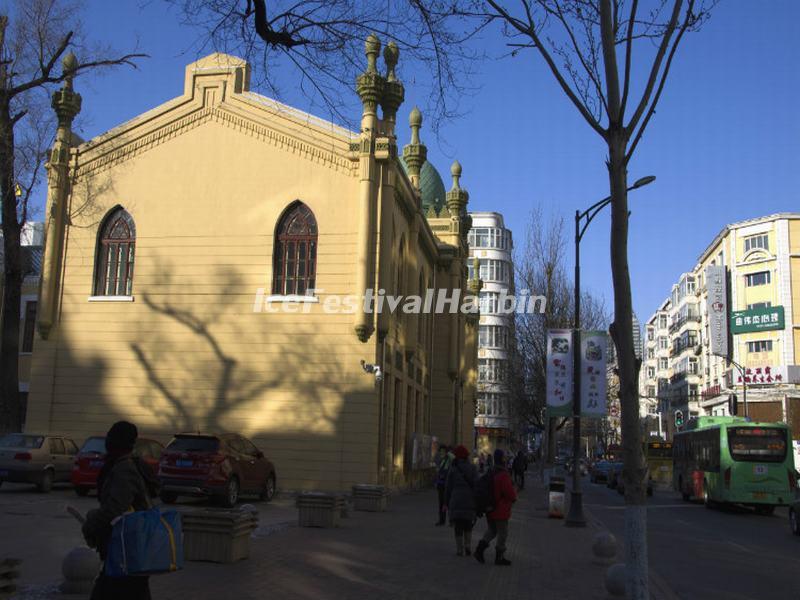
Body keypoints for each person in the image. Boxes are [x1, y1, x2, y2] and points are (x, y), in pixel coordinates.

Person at [82, 421, 160, 600]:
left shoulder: (124, 468)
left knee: (113, 590)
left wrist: (91, 522)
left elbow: (114, 509)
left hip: (125, 549)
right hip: (129, 549)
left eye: (110, 437)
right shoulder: (126, 464)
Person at [474, 449, 517, 566]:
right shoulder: (503, 474)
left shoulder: (491, 471)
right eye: (505, 457)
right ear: (502, 459)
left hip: (490, 508)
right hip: (501, 509)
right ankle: (499, 557)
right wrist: (514, 496)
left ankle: (479, 550)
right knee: (503, 533)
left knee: (492, 530)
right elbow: (509, 493)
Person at [445, 445, 478, 556]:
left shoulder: (453, 469)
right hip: (470, 500)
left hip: (456, 500)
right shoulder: (473, 468)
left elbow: (448, 487)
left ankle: (459, 549)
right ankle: (468, 546)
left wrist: (446, 502)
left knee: (458, 526)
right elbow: (476, 485)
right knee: (468, 524)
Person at [434, 445, 453, 526]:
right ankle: (442, 520)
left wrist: (448, 453)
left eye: (443, 451)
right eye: (441, 451)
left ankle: (451, 521)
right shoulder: (442, 460)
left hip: (447, 485)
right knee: (441, 503)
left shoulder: (449, 459)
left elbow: (453, 458)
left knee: (449, 503)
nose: (442, 452)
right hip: (441, 484)